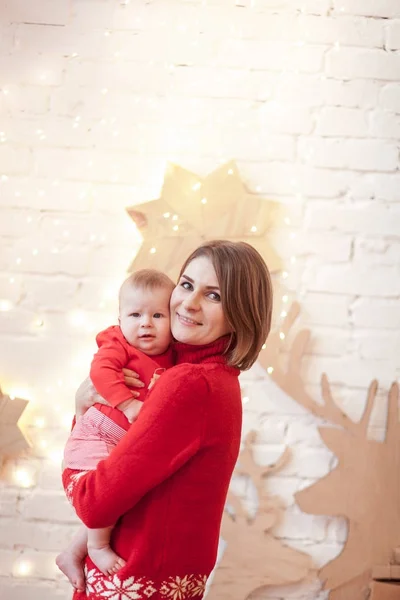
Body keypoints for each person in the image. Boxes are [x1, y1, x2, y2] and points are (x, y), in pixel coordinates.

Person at [60, 240, 273, 600]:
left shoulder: (187, 383)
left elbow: (94, 501)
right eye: (187, 284)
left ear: (240, 312)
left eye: (214, 296)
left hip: (132, 575)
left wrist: (77, 440)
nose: (189, 303)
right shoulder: (211, 377)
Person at [57, 269, 175, 581]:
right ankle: (96, 546)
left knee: (122, 498)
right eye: (135, 314)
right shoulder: (118, 343)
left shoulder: (174, 359)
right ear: (120, 319)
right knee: (106, 495)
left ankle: (72, 552)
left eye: (158, 315)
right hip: (97, 431)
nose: (145, 323)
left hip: (121, 441)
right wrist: (128, 404)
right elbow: (101, 371)